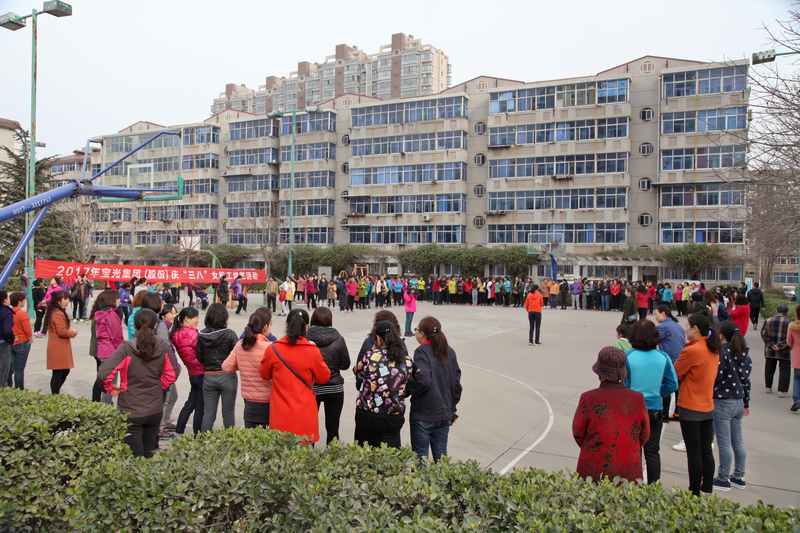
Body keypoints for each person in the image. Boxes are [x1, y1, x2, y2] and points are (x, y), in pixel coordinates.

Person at [98, 309, 177, 457]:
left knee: (133, 458)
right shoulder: (163, 346)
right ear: (156, 326)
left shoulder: (126, 348)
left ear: (134, 325)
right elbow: (174, 371)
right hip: (154, 409)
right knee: (149, 456)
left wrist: (115, 387)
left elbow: (104, 372)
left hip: (130, 409)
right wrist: (160, 386)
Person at [572, 346, 650, 483]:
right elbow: (644, 434)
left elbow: (578, 432)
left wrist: (595, 447)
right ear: (624, 372)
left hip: (593, 466)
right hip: (628, 467)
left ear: (599, 373)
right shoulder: (637, 399)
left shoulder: (588, 398)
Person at [259, 308, 331, 444]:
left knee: (280, 451)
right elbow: (324, 377)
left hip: (280, 414)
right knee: (302, 452)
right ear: (307, 327)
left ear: (287, 324)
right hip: (305, 413)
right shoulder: (312, 351)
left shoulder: (273, 349)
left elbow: (264, 374)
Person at [624, 320, 679, 484]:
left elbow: (624, 384)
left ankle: (633, 484)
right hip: (655, 409)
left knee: (633, 450)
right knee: (652, 451)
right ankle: (653, 486)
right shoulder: (663, 357)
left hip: (633, 409)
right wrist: (657, 393)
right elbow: (673, 384)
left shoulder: (628, 356)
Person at [674, 313, 720, 496]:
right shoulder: (712, 348)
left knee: (693, 451)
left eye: (689, 326)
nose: (686, 330)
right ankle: (707, 486)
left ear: (696, 329)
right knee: (706, 450)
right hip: (707, 406)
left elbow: (676, 372)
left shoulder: (692, 350)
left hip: (691, 405)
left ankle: (694, 490)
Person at [408, 317, 462, 461]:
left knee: (421, 459)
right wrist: (451, 407)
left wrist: (407, 389)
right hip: (444, 413)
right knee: (441, 457)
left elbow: (423, 380)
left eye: (416, 330)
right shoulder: (449, 351)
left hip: (424, 414)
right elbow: (456, 385)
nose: (415, 333)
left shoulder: (422, 352)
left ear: (423, 334)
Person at [353, 319, 412, 448]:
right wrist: (403, 392)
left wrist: (374, 351)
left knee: (364, 452)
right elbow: (415, 380)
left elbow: (357, 371)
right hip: (393, 415)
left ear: (379, 338)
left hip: (368, 413)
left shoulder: (370, 355)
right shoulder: (406, 360)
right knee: (390, 453)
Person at [712, 321, 752, 491]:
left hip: (723, 401)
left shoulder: (722, 352)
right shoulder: (744, 354)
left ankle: (723, 478)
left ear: (722, 335)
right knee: (738, 441)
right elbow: (746, 381)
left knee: (724, 442)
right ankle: (738, 476)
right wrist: (746, 402)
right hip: (739, 401)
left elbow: (717, 376)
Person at [222, 309, 273, 428]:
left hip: (249, 401)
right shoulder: (270, 347)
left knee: (250, 436)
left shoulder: (241, 345)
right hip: (268, 400)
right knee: (268, 436)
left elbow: (226, 366)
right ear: (265, 326)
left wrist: (242, 364)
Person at [306, 307, 350, 444]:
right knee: (333, 428)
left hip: (313, 388)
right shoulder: (339, 339)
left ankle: (307, 453)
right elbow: (345, 364)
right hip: (334, 388)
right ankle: (332, 453)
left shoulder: (305, 339)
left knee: (309, 426)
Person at [198, 303, 239, 431]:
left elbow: (199, 356)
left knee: (208, 414)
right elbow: (237, 355)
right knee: (228, 413)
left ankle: (203, 440)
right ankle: (230, 439)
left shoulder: (201, 335)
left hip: (209, 376)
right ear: (224, 317)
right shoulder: (230, 334)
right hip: (227, 377)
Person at [171, 307, 204, 436]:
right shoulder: (192, 334)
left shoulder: (176, 334)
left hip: (192, 373)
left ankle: (179, 430)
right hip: (201, 372)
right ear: (186, 319)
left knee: (191, 403)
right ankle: (198, 434)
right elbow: (202, 352)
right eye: (195, 318)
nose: (197, 320)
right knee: (200, 406)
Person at [89, 290, 124, 403]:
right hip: (110, 352)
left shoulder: (99, 314)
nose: (119, 301)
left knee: (102, 378)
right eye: (117, 298)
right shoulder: (111, 315)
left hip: (101, 351)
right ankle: (105, 405)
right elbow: (117, 336)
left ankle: (99, 403)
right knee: (108, 382)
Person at [44, 291, 77, 394]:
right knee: (59, 372)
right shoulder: (57, 313)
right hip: (58, 346)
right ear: (58, 301)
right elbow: (61, 331)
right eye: (65, 299)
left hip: (59, 345)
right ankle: (55, 394)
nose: (67, 301)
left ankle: (55, 393)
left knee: (62, 371)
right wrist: (73, 332)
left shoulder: (56, 311)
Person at [761, 304, 791, 397]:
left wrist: (771, 345)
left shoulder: (768, 320)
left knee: (769, 367)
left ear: (777, 310)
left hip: (770, 349)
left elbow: (763, 334)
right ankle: (782, 391)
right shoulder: (789, 322)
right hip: (784, 350)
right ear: (786, 312)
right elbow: (789, 338)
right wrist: (780, 346)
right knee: (785, 369)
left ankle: (768, 387)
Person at [9, 293, 32, 389]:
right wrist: (30, 338)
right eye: (23, 300)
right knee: (19, 369)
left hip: (11, 342)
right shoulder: (22, 313)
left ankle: (8, 386)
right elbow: (27, 329)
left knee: (10, 367)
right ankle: (19, 389)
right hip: (22, 342)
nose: (24, 302)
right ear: (19, 302)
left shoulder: (8, 312)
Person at [787, 306, 800, 412]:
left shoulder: (792, 326)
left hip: (797, 356)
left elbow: (789, 341)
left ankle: (796, 400)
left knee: (797, 378)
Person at [0, 291, 13, 387]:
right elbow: (7, 331)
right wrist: (11, 340)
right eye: (8, 297)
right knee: (4, 367)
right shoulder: (6, 312)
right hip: (3, 343)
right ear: (4, 300)